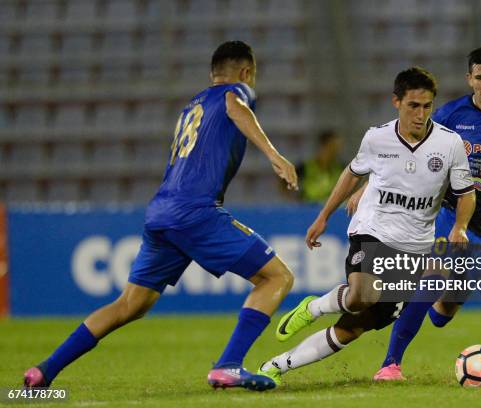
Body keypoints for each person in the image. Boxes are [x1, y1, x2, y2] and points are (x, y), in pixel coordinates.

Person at [23, 41, 298, 392]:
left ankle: (44, 370)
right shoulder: (235, 91)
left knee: (129, 304)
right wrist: (275, 155)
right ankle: (229, 366)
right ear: (245, 73)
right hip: (195, 211)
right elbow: (237, 106)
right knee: (276, 278)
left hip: (161, 213)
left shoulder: (191, 107)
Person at [346, 45, 481, 381]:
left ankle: (436, 312)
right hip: (449, 215)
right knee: (431, 278)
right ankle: (391, 364)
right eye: (479, 77)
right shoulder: (451, 114)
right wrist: (368, 185)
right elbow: (409, 147)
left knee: (446, 306)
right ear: (469, 79)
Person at [256, 67, 476, 385]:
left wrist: (460, 226)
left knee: (352, 327)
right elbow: (352, 172)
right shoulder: (377, 137)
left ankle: (275, 366)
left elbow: (466, 193)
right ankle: (316, 308)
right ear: (396, 102)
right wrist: (323, 216)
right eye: (413, 105)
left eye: (427, 106)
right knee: (362, 294)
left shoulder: (450, 143)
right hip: (373, 229)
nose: (421, 113)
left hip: (415, 247)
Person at [296, 130, 345, 203]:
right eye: (334, 146)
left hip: (331, 209)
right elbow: (284, 182)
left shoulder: (341, 168)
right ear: (325, 145)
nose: (337, 151)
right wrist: (293, 201)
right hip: (308, 209)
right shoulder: (306, 167)